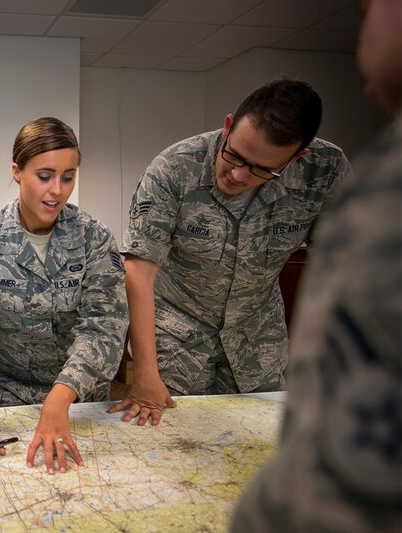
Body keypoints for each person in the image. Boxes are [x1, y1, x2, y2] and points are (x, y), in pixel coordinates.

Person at [231, 0, 401, 533]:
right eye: (234, 155)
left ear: (297, 158)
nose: (362, 11)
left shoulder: (367, 186)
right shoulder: (381, 176)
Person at [109, 77, 353, 426]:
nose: (238, 174)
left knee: (260, 442)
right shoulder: (176, 167)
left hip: (257, 338)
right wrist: (145, 372)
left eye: (261, 168)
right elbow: (138, 270)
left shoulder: (324, 172)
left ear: (297, 157)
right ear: (228, 126)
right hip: (176, 338)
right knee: (173, 447)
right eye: (234, 155)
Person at [0, 117, 128, 474]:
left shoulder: (94, 238)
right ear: (17, 171)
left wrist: (61, 397)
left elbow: (105, 328)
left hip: (76, 398)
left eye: (68, 176)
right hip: (0, 399)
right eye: (44, 176)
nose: (57, 189)